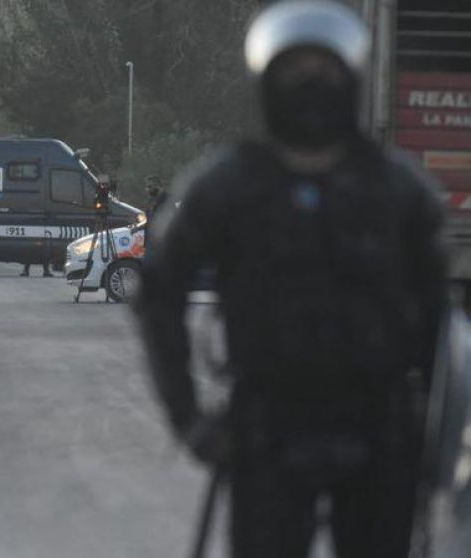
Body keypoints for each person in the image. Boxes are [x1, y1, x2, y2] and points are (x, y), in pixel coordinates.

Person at [135, 2, 447, 557]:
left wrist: (435, 427)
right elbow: (159, 291)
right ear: (267, 81)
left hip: (380, 431)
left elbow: (443, 316)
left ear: (351, 79)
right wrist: (188, 418)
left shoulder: (399, 189)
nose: (311, 87)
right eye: (295, 71)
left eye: (325, 72)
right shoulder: (227, 186)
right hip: (267, 431)